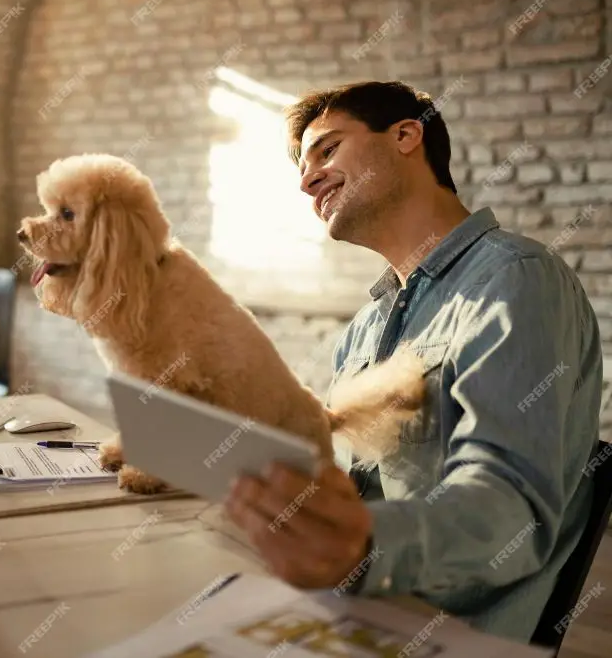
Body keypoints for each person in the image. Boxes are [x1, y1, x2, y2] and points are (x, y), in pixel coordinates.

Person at [223, 81, 604, 644]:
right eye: (303, 168)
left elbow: (511, 510)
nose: (307, 181)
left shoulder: (516, 279)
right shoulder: (363, 331)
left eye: (327, 150)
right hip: (347, 605)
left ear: (406, 135)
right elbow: (367, 489)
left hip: (441, 631)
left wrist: (362, 544)